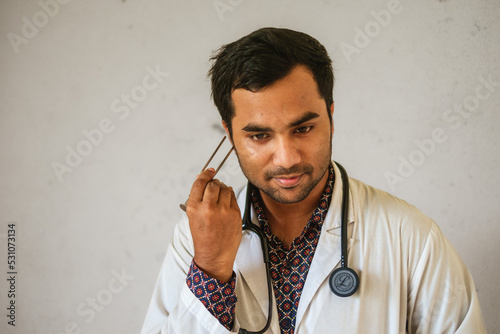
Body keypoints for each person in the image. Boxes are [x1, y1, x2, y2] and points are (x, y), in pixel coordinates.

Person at [141, 27, 486, 334]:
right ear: (230, 135)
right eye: (260, 136)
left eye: (303, 129)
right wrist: (212, 268)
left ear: (330, 117)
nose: (287, 158)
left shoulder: (411, 238)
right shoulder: (195, 241)